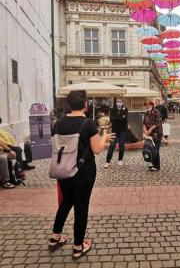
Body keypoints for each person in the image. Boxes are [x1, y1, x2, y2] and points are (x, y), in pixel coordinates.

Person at [49, 90, 114, 259]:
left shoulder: (58, 123)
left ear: (69, 105)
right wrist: (104, 137)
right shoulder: (88, 123)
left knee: (66, 202)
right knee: (81, 208)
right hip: (83, 172)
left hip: (63, 170)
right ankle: (78, 246)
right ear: (85, 104)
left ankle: (55, 237)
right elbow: (97, 149)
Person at [104, 98, 128, 168]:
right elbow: (111, 119)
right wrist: (120, 118)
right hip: (114, 130)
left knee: (121, 145)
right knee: (112, 145)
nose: (119, 103)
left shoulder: (125, 109)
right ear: (116, 102)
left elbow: (125, 119)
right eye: (118, 102)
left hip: (123, 130)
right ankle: (107, 161)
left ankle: (120, 159)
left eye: (120, 101)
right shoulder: (112, 110)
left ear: (122, 102)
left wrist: (117, 118)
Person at [143, 99, 163, 172]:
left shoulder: (156, 112)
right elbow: (144, 123)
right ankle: (151, 163)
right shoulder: (146, 113)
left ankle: (157, 166)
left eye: (149, 105)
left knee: (156, 150)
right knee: (150, 148)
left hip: (157, 133)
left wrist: (150, 130)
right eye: (146, 105)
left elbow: (158, 122)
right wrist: (145, 130)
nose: (147, 106)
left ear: (152, 105)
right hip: (149, 133)